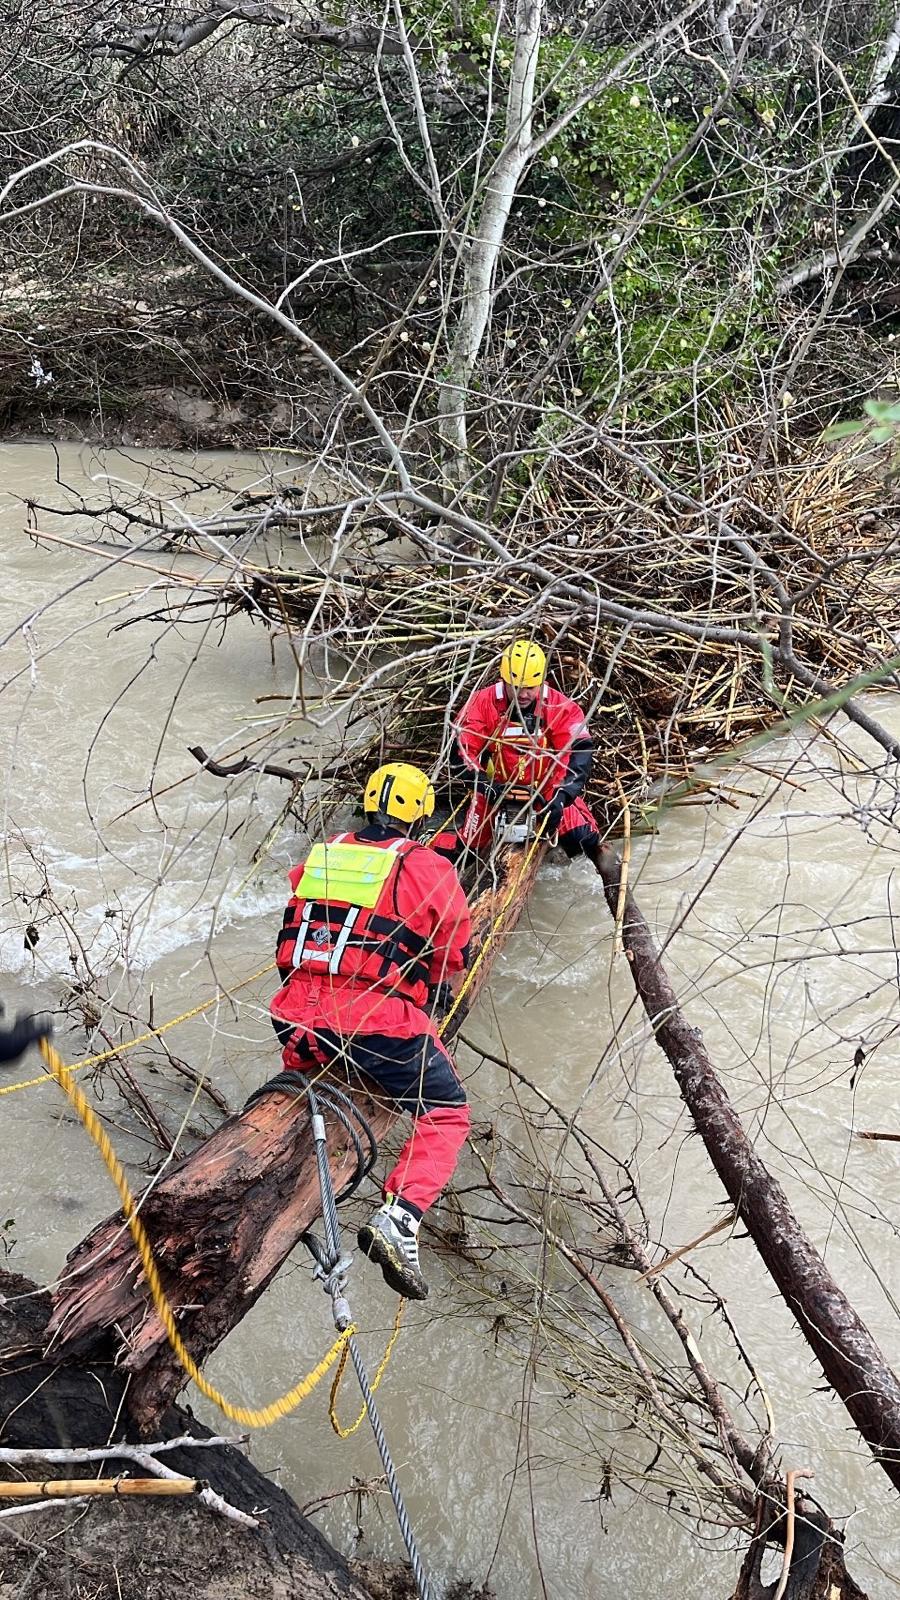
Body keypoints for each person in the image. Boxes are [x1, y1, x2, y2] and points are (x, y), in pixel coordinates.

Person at [270, 762, 472, 1301]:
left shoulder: (324, 854)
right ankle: (400, 1218)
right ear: (420, 815)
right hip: (372, 1022)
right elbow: (453, 950)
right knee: (447, 1112)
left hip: (293, 1016)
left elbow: (297, 932)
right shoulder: (428, 866)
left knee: (309, 1095)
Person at [448, 639, 601, 864]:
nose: (523, 694)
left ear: (541, 682)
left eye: (530, 687)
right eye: (516, 687)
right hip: (496, 789)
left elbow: (579, 753)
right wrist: (483, 784)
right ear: (504, 680)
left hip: (546, 789)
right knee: (464, 853)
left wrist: (562, 796)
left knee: (584, 840)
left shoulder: (559, 706)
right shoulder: (482, 703)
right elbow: (461, 752)